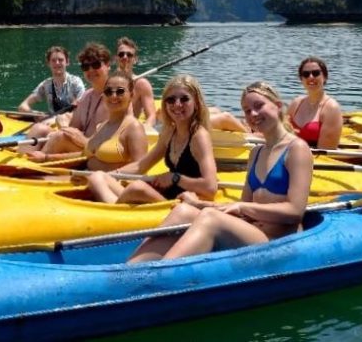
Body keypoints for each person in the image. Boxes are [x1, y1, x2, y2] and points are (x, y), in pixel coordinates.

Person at [128, 81, 313, 262]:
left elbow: (295, 211)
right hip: (252, 230)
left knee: (211, 218)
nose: (253, 114)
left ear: (278, 106)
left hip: (277, 240)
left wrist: (240, 207)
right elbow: (244, 208)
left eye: (259, 106)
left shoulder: (296, 148)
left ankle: (158, 278)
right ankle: (130, 271)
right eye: (247, 110)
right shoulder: (256, 153)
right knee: (184, 210)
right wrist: (199, 205)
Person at [85, 74, 219, 204]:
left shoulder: (199, 136)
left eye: (184, 99)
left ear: (196, 103)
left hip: (187, 202)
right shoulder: (170, 131)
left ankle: (115, 210)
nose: (177, 104)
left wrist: (175, 178)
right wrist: (114, 175)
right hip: (169, 194)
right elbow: (141, 165)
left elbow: (211, 188)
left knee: (137, 188)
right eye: (171, 100)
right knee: (98, 177)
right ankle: (116, 207)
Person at [23, 42, 112, 159]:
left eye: (96, 65)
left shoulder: (115, 97)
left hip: (97, 151)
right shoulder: (86, 96)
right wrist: (63, 124)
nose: (90, 70)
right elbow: (73, 128)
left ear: (107, 65)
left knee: (59, 137)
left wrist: (47, 156)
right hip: (83, 144)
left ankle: (30, 164)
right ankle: (20, 159)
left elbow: (110, 145)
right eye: (85, 67)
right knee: (39, 128)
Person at [16, 46, 86, 140]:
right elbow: (22, 107)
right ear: (48, 63)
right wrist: (35, 113)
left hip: (71, 124)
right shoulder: (46, 85)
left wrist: (56, 119)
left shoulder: (76, 82)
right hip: (51, 125)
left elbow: (82, 109)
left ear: (67, 62)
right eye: (53, 60)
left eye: (60, 60)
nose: (57, 63)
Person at [286, 57, 343, 149]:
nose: (311, 77)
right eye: (306, 74)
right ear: (301, 79)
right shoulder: (296, 103)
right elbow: (281, 134)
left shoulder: (331, 108)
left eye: (316, 73)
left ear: (324, 77)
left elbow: (325, 151)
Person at [115, 37, 158, 129]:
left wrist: (143, 130)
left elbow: (152, 117)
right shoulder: (108, 82)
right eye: (121, 54)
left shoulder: (141, 84)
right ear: (116, 58)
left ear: (135, 59)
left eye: (129, 55)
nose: (125, 57)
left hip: (128, 131)